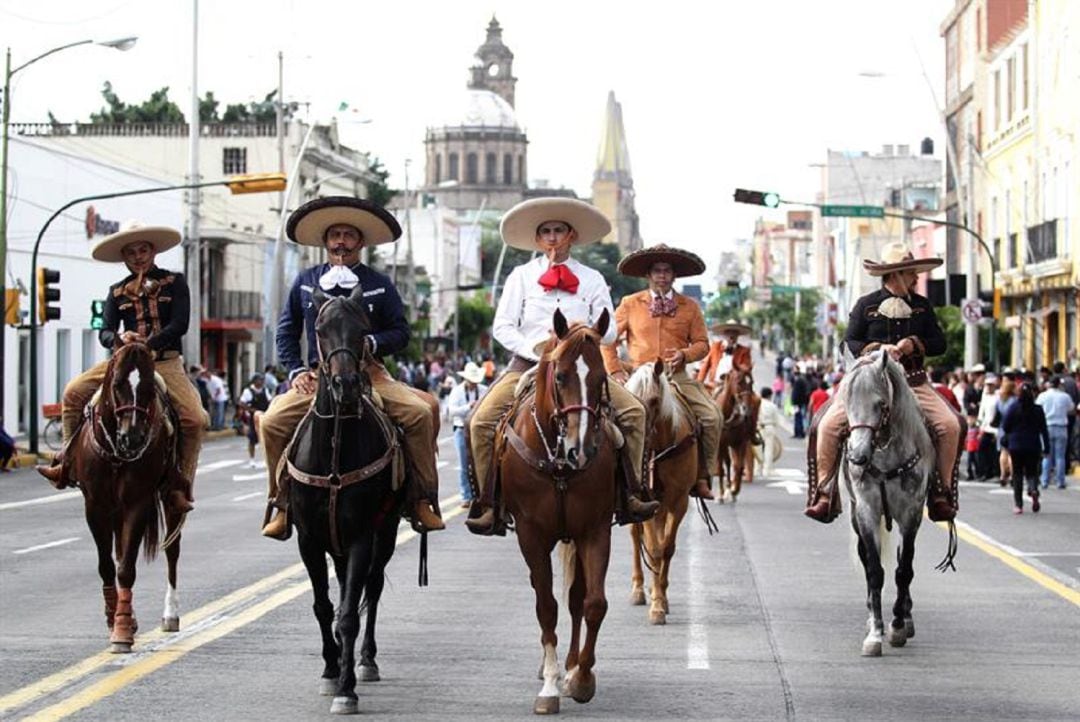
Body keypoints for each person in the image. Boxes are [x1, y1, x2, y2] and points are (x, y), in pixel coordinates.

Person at [465, 197, 659, 534]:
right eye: (546, 232)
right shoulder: (521, 276)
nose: (553, 237)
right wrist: (535, 350)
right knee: (480, 421)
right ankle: (488, 502)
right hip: (529, 364)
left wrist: (587, 334)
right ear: (539, 240)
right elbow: (503, 326)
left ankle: (633, 492)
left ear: (571, 236)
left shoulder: (593, 278)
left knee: (635, 413)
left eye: (559, 231)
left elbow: (610, 328)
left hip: (581, 367)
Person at [259, 196, 444, 538]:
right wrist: (297, 371)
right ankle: (281, 501)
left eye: (348, 235)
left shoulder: (379, 283)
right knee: (270, 422)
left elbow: (401, 331)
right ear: (325, 242)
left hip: (370, 374)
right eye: (335, 235)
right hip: (318, 378)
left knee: (419, 414)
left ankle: (421, 499)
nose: (341, 241)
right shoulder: (305, 281)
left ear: (360, 242)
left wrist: (373, 343)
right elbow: (286, 331)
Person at [37, 221, 207, 512]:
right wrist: (118, 339)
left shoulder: (175, 283)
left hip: (164, 362)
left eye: (143, 250)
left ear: (153, 251)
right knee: (73, 393)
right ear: (124, 257)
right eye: (131, 252)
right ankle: (65, 462)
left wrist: (148, 345)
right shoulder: (115, 292)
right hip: (124, 362)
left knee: (196, 419)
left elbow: (180, 324)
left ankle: (180, 485)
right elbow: (104, 330)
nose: (138, 256)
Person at [805, 242, 963, 523]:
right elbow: (849, 342)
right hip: (868, 384)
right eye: (911, 273)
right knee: (825, 425)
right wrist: (878, 349)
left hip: (912, 384)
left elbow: (940, 343)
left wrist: (913, 344)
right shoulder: (866, 305)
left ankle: (941, 492)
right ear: (895, 275)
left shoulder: (922, 306)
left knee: (951, 425)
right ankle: (825, 492)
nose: (916, 278)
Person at [601, 244, 722, 500]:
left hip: (676, 377)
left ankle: (702, 475)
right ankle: (609, 476)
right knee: (604, 418)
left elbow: (703, 345)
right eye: (657, 270)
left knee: (712, 417)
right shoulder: (630, 303)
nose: (662, 275)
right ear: (648, 275)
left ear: (674, 275)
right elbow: (607, 339)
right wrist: (614, 370)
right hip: (638, 377)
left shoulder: (690, 306)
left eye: (667, 271)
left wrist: (685, 355)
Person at [1001, 382, 1050, 514]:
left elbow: (1005, 426)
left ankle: (1018, 505)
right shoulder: (1038, 410)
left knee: (1017, 474)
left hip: (1016, 445)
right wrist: (1047, 449)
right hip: (1033, 445)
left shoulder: (1013, 408)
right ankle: (1033, 489)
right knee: (1032, 471)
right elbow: (1044, 430)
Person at [447, 362, 487, 506]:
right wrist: (468, 407)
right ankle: (466, 495)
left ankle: (480, 494)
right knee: (464, 465)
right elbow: (451, 411)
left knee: (480, 463)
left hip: (479, 430)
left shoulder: (484, 390)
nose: (474, 384)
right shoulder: (457, 391)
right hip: (461, 429)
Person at [1036, 376, 1075, 489]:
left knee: (1046, 455)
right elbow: (1071, 408)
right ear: (1059, 384)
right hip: (1061, 427)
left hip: (1047, 426)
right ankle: (1060, 481)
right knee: (1060, 456)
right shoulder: (1065, 396)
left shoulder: (1043, 396)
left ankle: (1044, 481)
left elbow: (1037, 407)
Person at [698, 320, 754, 394]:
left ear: (738, 335)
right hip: (714, 385)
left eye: (734, 332)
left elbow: (746, 366)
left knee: (748, 401)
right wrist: (699, 382)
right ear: (724, 334)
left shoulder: (744, 351)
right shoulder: (715, 347)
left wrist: (741, 369)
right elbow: (705, 366)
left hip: (733, 389)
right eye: (729, 332)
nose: (731, 335)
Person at [237, 373, 271, 468]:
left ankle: (266, 459)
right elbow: (241, 403)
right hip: (253, 417)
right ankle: (252, 459)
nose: (261, 382)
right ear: (254, 381)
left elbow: (269, 400)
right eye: (259, 380)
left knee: (265, 438)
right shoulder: (248, 391)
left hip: (264, 416)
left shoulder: (265, 390)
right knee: (252, 438)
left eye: (262, 380)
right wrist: (251, 410)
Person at [976, 374, 1002, 481]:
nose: (989, 387)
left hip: (995, 429)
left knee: (994, 452)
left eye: (991, 385)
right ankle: (984, 472)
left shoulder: (998, 397)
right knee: (982, 450)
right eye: (987, 385)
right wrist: (979, 426)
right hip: (985, 428)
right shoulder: (985, 396)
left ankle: (995, 472)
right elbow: (981, 413)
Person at [756, 387, 784, 478]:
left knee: (758, 449)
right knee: (769, 449)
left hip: (759, 427)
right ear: (770, 395)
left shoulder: (758, 404)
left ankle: (757, 468)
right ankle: (767, 470)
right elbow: (776, 419)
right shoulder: (772, 405)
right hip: (770, 426)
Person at [789, 370, 810, 438]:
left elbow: (796, 393)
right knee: (798, 417)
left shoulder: (798, 382)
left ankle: (799, 432)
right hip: (800, 402)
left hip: (797, 403)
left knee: (798, 418)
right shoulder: (802, 381)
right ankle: (798, 432)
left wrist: (793, 401)